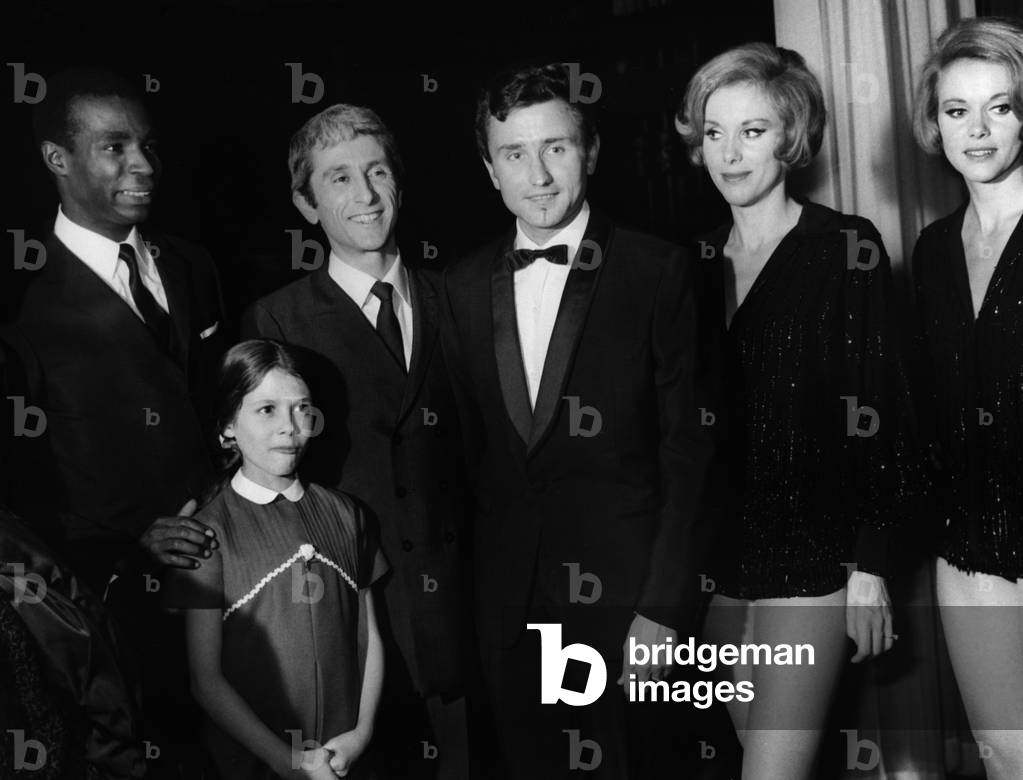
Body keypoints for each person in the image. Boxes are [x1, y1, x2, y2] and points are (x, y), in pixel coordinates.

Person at [441, 62, 718, 778]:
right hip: (508, 616)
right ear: (488, 169)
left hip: (625, 614)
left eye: (555, 148)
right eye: (513, 154)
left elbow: (690, 454)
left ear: (588, 152)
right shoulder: (458, 288)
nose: (536, 174)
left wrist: (662, 611)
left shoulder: (659, 271)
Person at [675, 43, 921, 778]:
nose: (729, 152)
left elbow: (883, 412)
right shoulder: (684, 266)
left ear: (790, 135)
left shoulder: (844, 247)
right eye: (713, 132)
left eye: (751, 131)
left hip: (812, 559)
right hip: (713, 566)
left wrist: (869, 566)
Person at [0, 65, 228, 777]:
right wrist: (131, 537)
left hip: (236, 592)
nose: (143, 166)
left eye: (149, 146)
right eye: (115, 147)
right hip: (111, 622)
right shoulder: (19, 304)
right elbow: (18, 496)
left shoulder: (194, 267)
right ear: (55, 159)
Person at [241, 104, 472, 778]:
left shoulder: (455, 297)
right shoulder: (276, 319)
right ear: (305, 205)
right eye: (338, 179)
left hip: (462, 620)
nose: (365, 195)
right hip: (348, 627)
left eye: (376, 172)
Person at [170, 339, 386, 779]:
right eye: (266, 409)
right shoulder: (207, 533)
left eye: (302, 408)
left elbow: (371, 639)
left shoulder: (349, 515)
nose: (290, 427)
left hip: (340, 761)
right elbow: (206, 680)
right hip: (253, 765)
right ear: (227, 425)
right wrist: (285, 761)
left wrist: (360, 735)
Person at [911, 17, 1023, 779]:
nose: (976, 129)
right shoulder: (928, 251)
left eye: (1001, 106)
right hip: (969, 549)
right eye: (957, 110)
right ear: (934, 123)